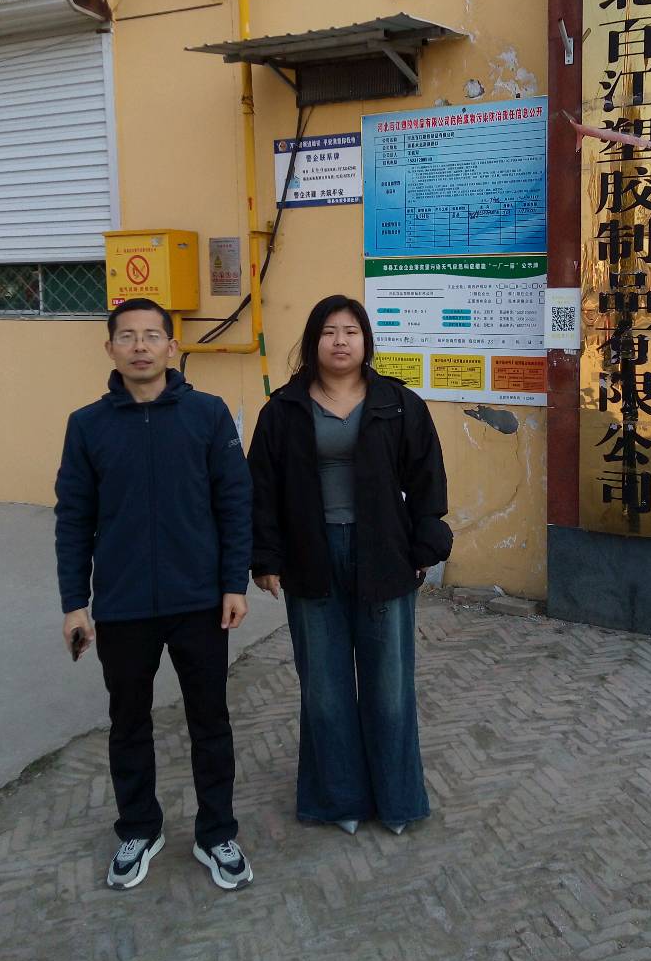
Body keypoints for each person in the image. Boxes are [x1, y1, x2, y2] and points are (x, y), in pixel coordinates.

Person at [55, 298, 254, 891]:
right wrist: (75, 602)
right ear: (110, 347)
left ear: (172, 346)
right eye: (127, 336)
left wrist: (233, 583)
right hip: (123, 606)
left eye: (151, 336)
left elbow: (234, 503)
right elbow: (73, 519)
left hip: (200, 601)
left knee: (210, 721)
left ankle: (217, 834)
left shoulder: (208, 415)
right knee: (128, 723)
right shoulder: (87, 425)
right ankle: (139, 828)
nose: (139, 346)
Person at [248, 295, 451, 836]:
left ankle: (398, 800)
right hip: (310, 556)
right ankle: (338, 798)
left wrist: (424, 546)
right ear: (313, 341)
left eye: (351, 331)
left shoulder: (398, 404)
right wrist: (265, 558)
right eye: (329, 331)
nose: (340, 341)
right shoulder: (283, 409)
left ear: (366, 341)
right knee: (325, 686)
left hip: (383, 553)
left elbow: (427, 478)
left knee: (389, 686)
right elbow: (261, 489)